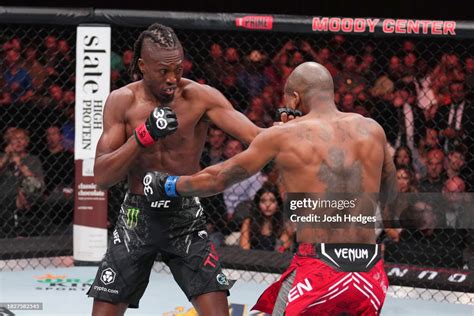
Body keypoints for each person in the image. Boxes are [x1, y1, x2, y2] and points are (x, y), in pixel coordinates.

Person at [145, 62, 397, 315]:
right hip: (369, 272)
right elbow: (389, 188)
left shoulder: (284, 135)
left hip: (320, 270)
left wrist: (167, 184)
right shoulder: (372, 129)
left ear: (295, 99)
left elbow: (219, 178)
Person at [87, 23, 288, 316]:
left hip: (184, 214)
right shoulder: (122, 102)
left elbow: (258, 138)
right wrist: (142, 137)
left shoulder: (200, 98)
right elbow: (103, 177)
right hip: (136, 215)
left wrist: (286, 130)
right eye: (163, 71)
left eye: (178, 69)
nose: (172, 78)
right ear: (142, 65)